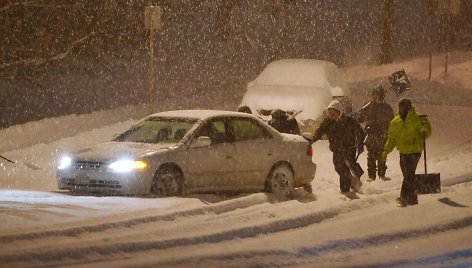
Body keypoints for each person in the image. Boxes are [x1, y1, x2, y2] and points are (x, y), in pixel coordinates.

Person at [381, 98, 432, 207]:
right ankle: (413, 199)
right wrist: (386, 151)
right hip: (403, 152)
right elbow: (391, 139)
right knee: (408, 175)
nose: (400, 109)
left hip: (415, 151)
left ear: (407, 107)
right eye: (399, 106)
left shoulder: (417, 118)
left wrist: (425, 128)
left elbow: (427, 133)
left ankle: (403, 198)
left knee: (409, 174)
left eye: (402, 106)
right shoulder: (395, 122)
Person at [311, 100, 365, 194]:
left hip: (349, 148)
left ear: (339, 111)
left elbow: (360, 131)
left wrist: (360, 144)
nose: (331, 114)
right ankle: (353, 181)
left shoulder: (349, 120)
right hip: (336, 148)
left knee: (344, 168)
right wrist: (311, 140)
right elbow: (319, 132)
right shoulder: (328, 122)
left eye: (333, 112)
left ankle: (345, 190)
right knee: (338, 167)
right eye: (330, 112)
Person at [355, 85, 394, 182]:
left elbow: (392, 121)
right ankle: (371, 176)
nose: (375, 96)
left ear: (381, 95)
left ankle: (382, 174)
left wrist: (388, 131)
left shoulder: (387, 107)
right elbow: (360, 118)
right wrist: (359, 115)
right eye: (374, 94)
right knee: (371, 156)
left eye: (378, 94)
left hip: (383, 135)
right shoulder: (368, 106)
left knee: (382, 155)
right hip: (371, 134)